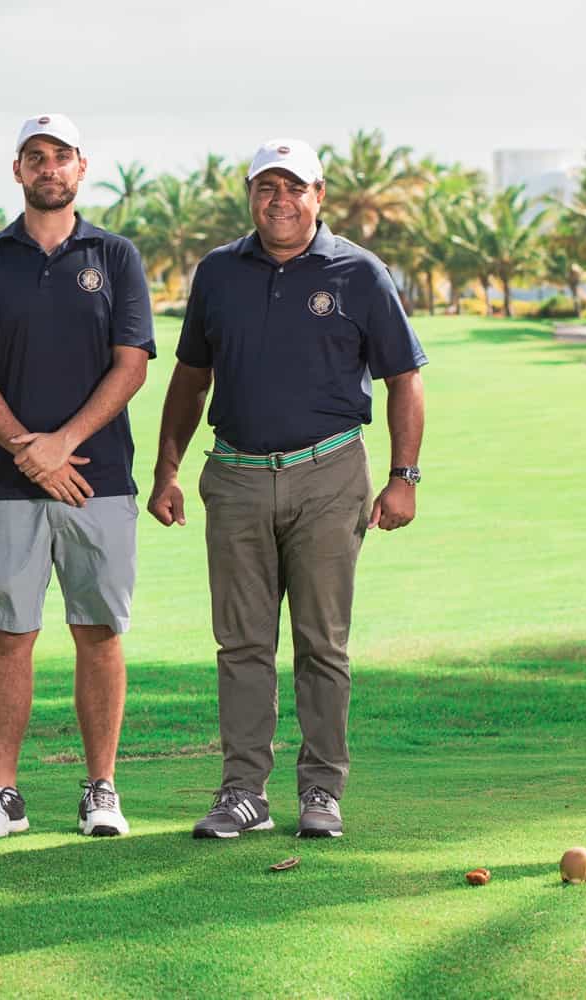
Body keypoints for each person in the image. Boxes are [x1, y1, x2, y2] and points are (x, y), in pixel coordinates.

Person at [148, 138, 427, 840]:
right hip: (236, 475)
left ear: (319, 194)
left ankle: (322, 791)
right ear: (250, 195)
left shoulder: (361, 274)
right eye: (266, 186)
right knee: (241, 646)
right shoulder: (218, 272)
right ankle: (243, 792)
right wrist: (167, 468)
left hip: (330, 474)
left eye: (292, 186)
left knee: (321, 643)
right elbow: (190, 377)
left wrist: (403, 477)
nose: (279, 199)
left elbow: (405, 378)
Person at [0, 115, 155, 840]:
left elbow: (132, 365)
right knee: (10, 632)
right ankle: (3, 793)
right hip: (6, 486)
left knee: (98, 629)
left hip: (100, 481)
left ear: (80, 167)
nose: (48, 168)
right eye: (35, 157)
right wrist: (25, 449)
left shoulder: (116, 255)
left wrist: (61, 444)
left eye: (59, 157)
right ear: (18, 171)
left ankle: (101, 789)